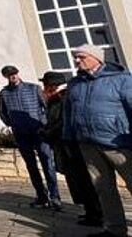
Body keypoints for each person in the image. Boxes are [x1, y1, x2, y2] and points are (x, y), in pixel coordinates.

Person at [64, 44, 132, 237]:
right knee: (103, 188)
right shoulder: (75, 84)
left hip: (118, 142)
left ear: (97, 58)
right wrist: (69, 137)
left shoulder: (121, 79)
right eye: (75, 57)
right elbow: (69, 113)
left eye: (81, 57)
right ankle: (115, 229)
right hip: (88, 143)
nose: (77, 60)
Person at [39, 70, 102, 226]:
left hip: (71, 146)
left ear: (52, 86)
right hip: (65, 145)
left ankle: (96, 213)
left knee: (83, 180)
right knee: (77, 180)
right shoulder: (57, 98)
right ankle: (90, 211)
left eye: (45, 85)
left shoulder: (63, 99)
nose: (43, 89)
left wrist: (46, 132)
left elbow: (62, 122)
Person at [0, 65, 61, 209]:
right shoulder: (4, 93)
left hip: (39, 131)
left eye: (14, 73)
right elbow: (2, 112)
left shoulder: (33, 88)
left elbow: (45, 106)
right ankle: (41, 196)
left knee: (47, 163)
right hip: (21, 133)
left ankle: (55, 197)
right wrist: (11, 123)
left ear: (18, 73)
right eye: (9, 75)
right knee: (31, 165)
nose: (12, 76)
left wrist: (45, 124)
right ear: (6, 77)